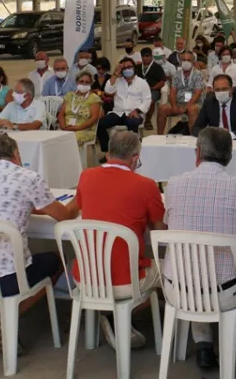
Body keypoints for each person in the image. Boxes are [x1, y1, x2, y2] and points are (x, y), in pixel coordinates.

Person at [0, 133, 77, 353]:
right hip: (8, 278)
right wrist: (79, 199)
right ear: (15, 153)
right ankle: (6, 317)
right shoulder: (28, 177)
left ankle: (2, 316)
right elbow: (64, 216)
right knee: (57, 259)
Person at [162, 127, 236, 370]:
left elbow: (167, 220)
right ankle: (234, 338)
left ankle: (204, 344)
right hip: (225, 293)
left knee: (193, 267)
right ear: (229, 157)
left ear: (197, 153)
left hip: (178, 290)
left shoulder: (173, 185)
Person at [72, 129, 164, 348]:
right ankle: (121, 316)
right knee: (169, 270)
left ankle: (112, 315)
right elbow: (160, 229)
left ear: (108, 153)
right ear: (135, 158)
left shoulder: (86, 176)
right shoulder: (146, 185)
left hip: (86, 277)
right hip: (126, 281)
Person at [99, 58, 150, 151]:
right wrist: (115, 75)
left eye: (129, 67)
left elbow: (147, 101)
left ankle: (132, 151)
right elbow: (108, 91)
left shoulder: (142, 83)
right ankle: (108, 151)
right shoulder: (117, 81)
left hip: (134, 113)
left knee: (132, 123)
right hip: (118, 113)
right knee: (101, 123)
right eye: (124, 68)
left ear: (134, 68)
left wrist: (137, 110)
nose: (127, 69)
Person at [192, 74, 236, 140]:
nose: (221, 92)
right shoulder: (209, 104)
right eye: (217, 90)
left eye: (224, 89)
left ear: (232, 89)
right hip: (215, 141)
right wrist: (212, 135)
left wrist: (229, 135)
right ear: (213, 91)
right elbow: (196, 128)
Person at [157, 50, 205, 134]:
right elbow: (172, 92)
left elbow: (197, 94)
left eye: (188, 60)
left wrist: (186, 107)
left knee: (191, 109)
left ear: (193, 62)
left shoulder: (198, 75)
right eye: (184, 60)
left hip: (194, 103)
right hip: (179, 103)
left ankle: (193, 137)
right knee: (162, 109)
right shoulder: (176, 75)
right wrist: (174, 106)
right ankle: (159, 136)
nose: (186, 62)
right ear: (180, 61)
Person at [59, 69, 103, 147]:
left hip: (84, 129)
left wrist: (78, 128)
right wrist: (63, 126)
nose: (84, 84)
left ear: (91, 83)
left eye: (87, 82)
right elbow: (61, 114)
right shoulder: (69, 95)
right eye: (81, 81)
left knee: (70, 139)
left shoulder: (94, 98)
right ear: (77, 82)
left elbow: (94, 118)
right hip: (66, 127)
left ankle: (72, 156)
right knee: (54, 139)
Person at [137, 48, 166, 131]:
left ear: (151, 56)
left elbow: (162, 81)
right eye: (143, 56)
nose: (145, 58)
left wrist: (153, 88)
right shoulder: (137, 67)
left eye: (147, 56)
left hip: (153, 90)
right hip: (138, 90)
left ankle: (147, 120)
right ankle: (136, 118)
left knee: (151, 101)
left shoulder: (157, 67)